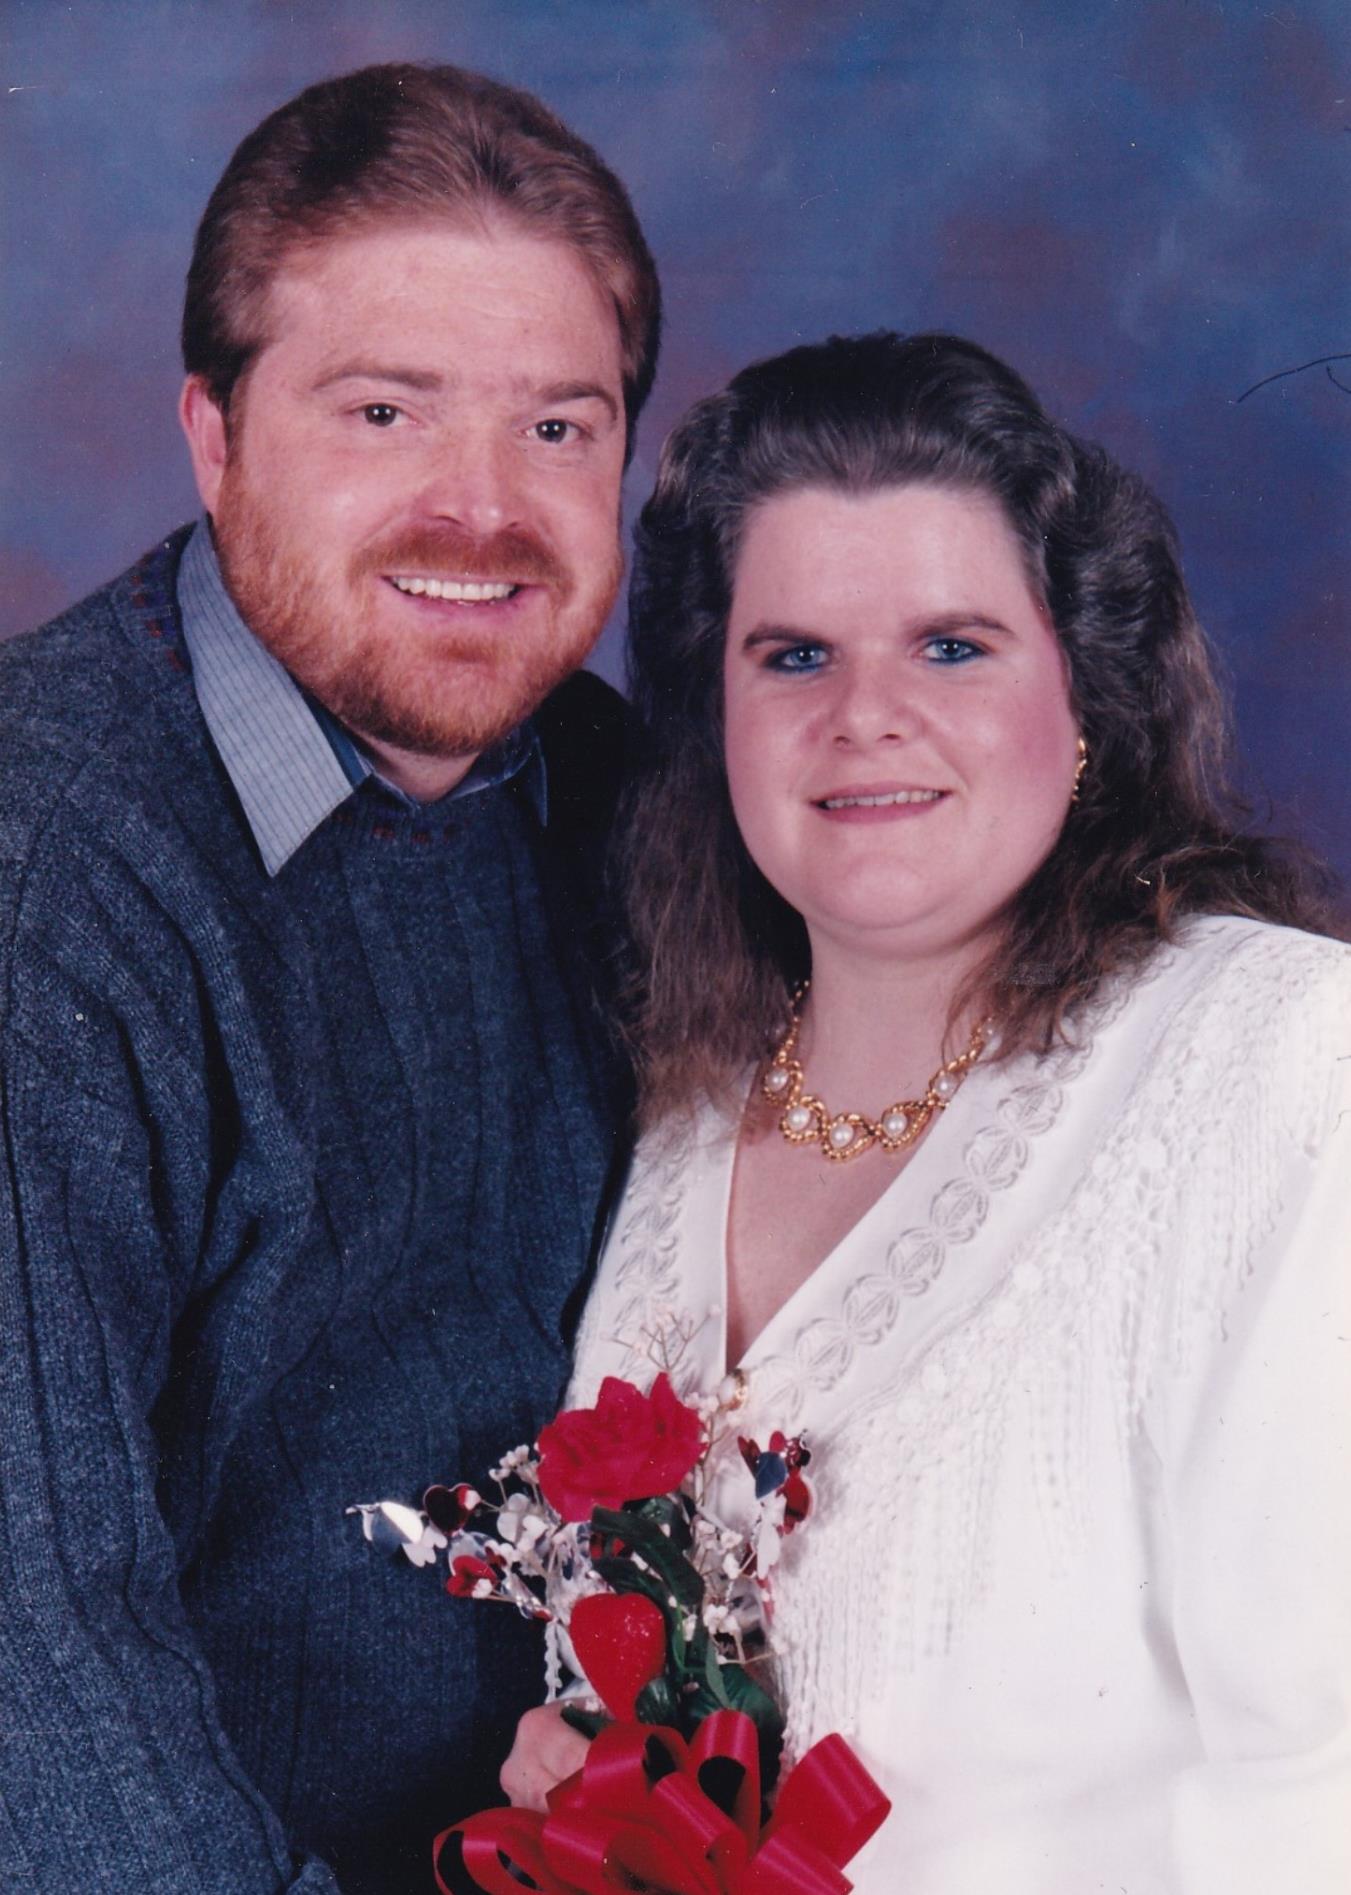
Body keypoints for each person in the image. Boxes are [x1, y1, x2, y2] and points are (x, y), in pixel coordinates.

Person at [504, 333, 1351, 1892]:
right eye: (794, 656)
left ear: (1086, 699)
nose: (866, 715)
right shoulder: (682, 1115)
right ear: (716, 719)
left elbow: (1320, 1792)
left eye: (952, 647)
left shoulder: (1283, 1064)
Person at [0, 63, 659, 1893]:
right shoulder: (52, 885)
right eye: (384, 411)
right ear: (213, 437)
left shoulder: (622, 804)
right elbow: (35, 1665)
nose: (483, 509)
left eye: (559, 427)